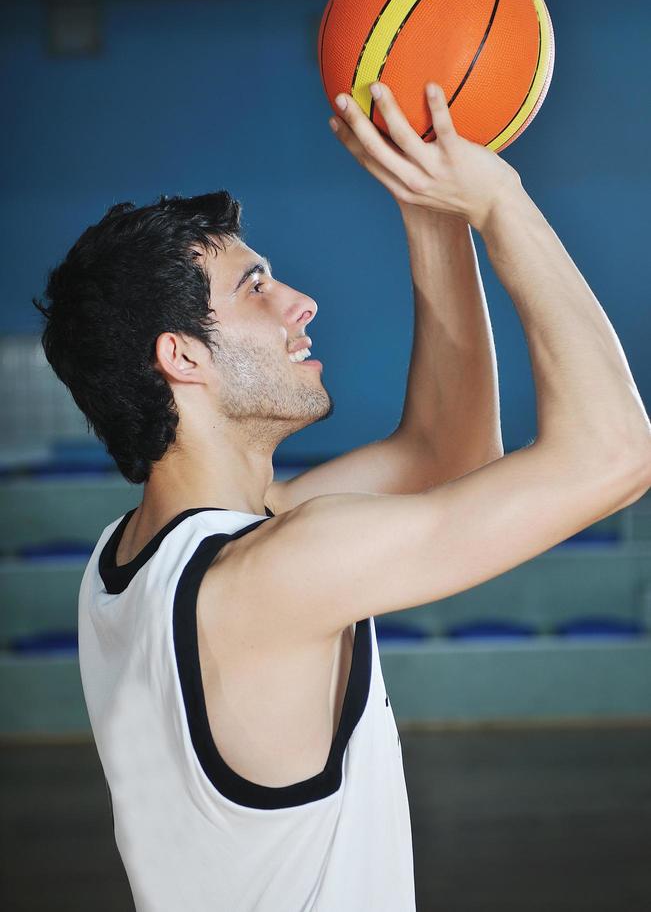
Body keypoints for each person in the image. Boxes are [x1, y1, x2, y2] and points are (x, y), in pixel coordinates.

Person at [33, 81, 650, 912]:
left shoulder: (136, 557)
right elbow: (616, 455)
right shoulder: (273, 572)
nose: (298, 304)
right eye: (256, 288)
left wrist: (429, 207)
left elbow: (448, 452)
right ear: (181, 357)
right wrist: (499, 201)